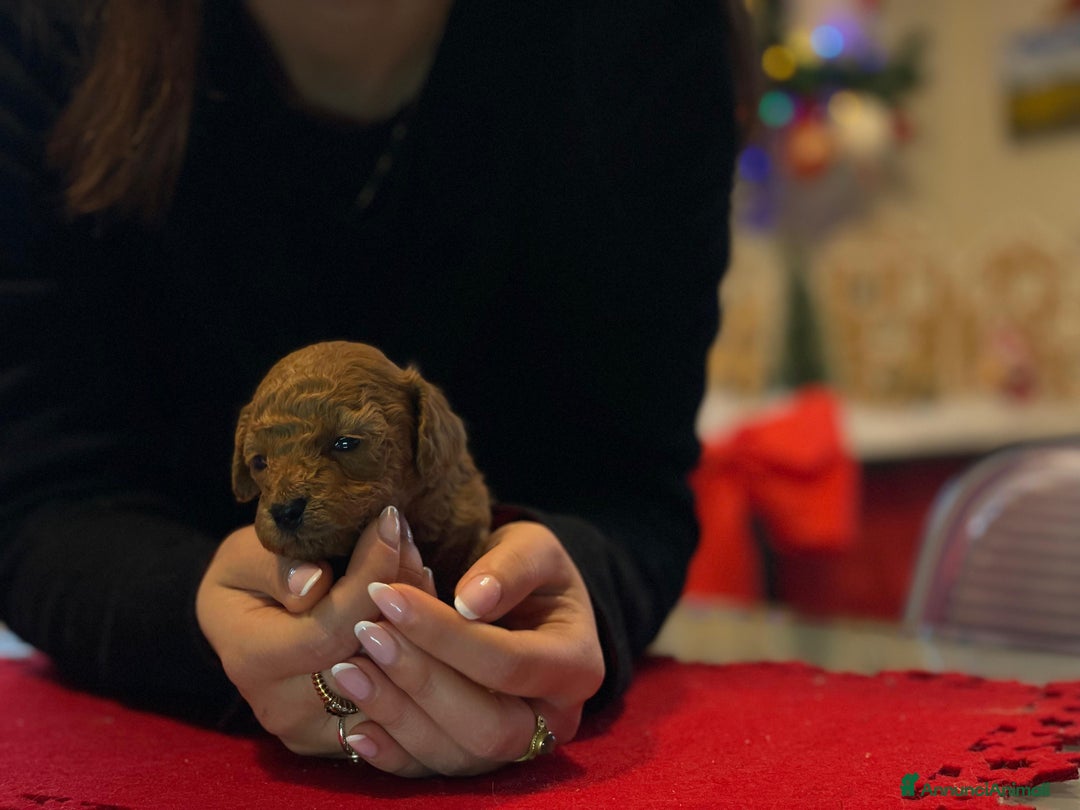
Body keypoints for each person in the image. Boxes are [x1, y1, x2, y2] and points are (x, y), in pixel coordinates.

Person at [0, 0, 744, 777]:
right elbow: (37, 504)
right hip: (144, 754)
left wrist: (567, 590)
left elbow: (633, 489)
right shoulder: (52, 30)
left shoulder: (648, 31)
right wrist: (201, 617)